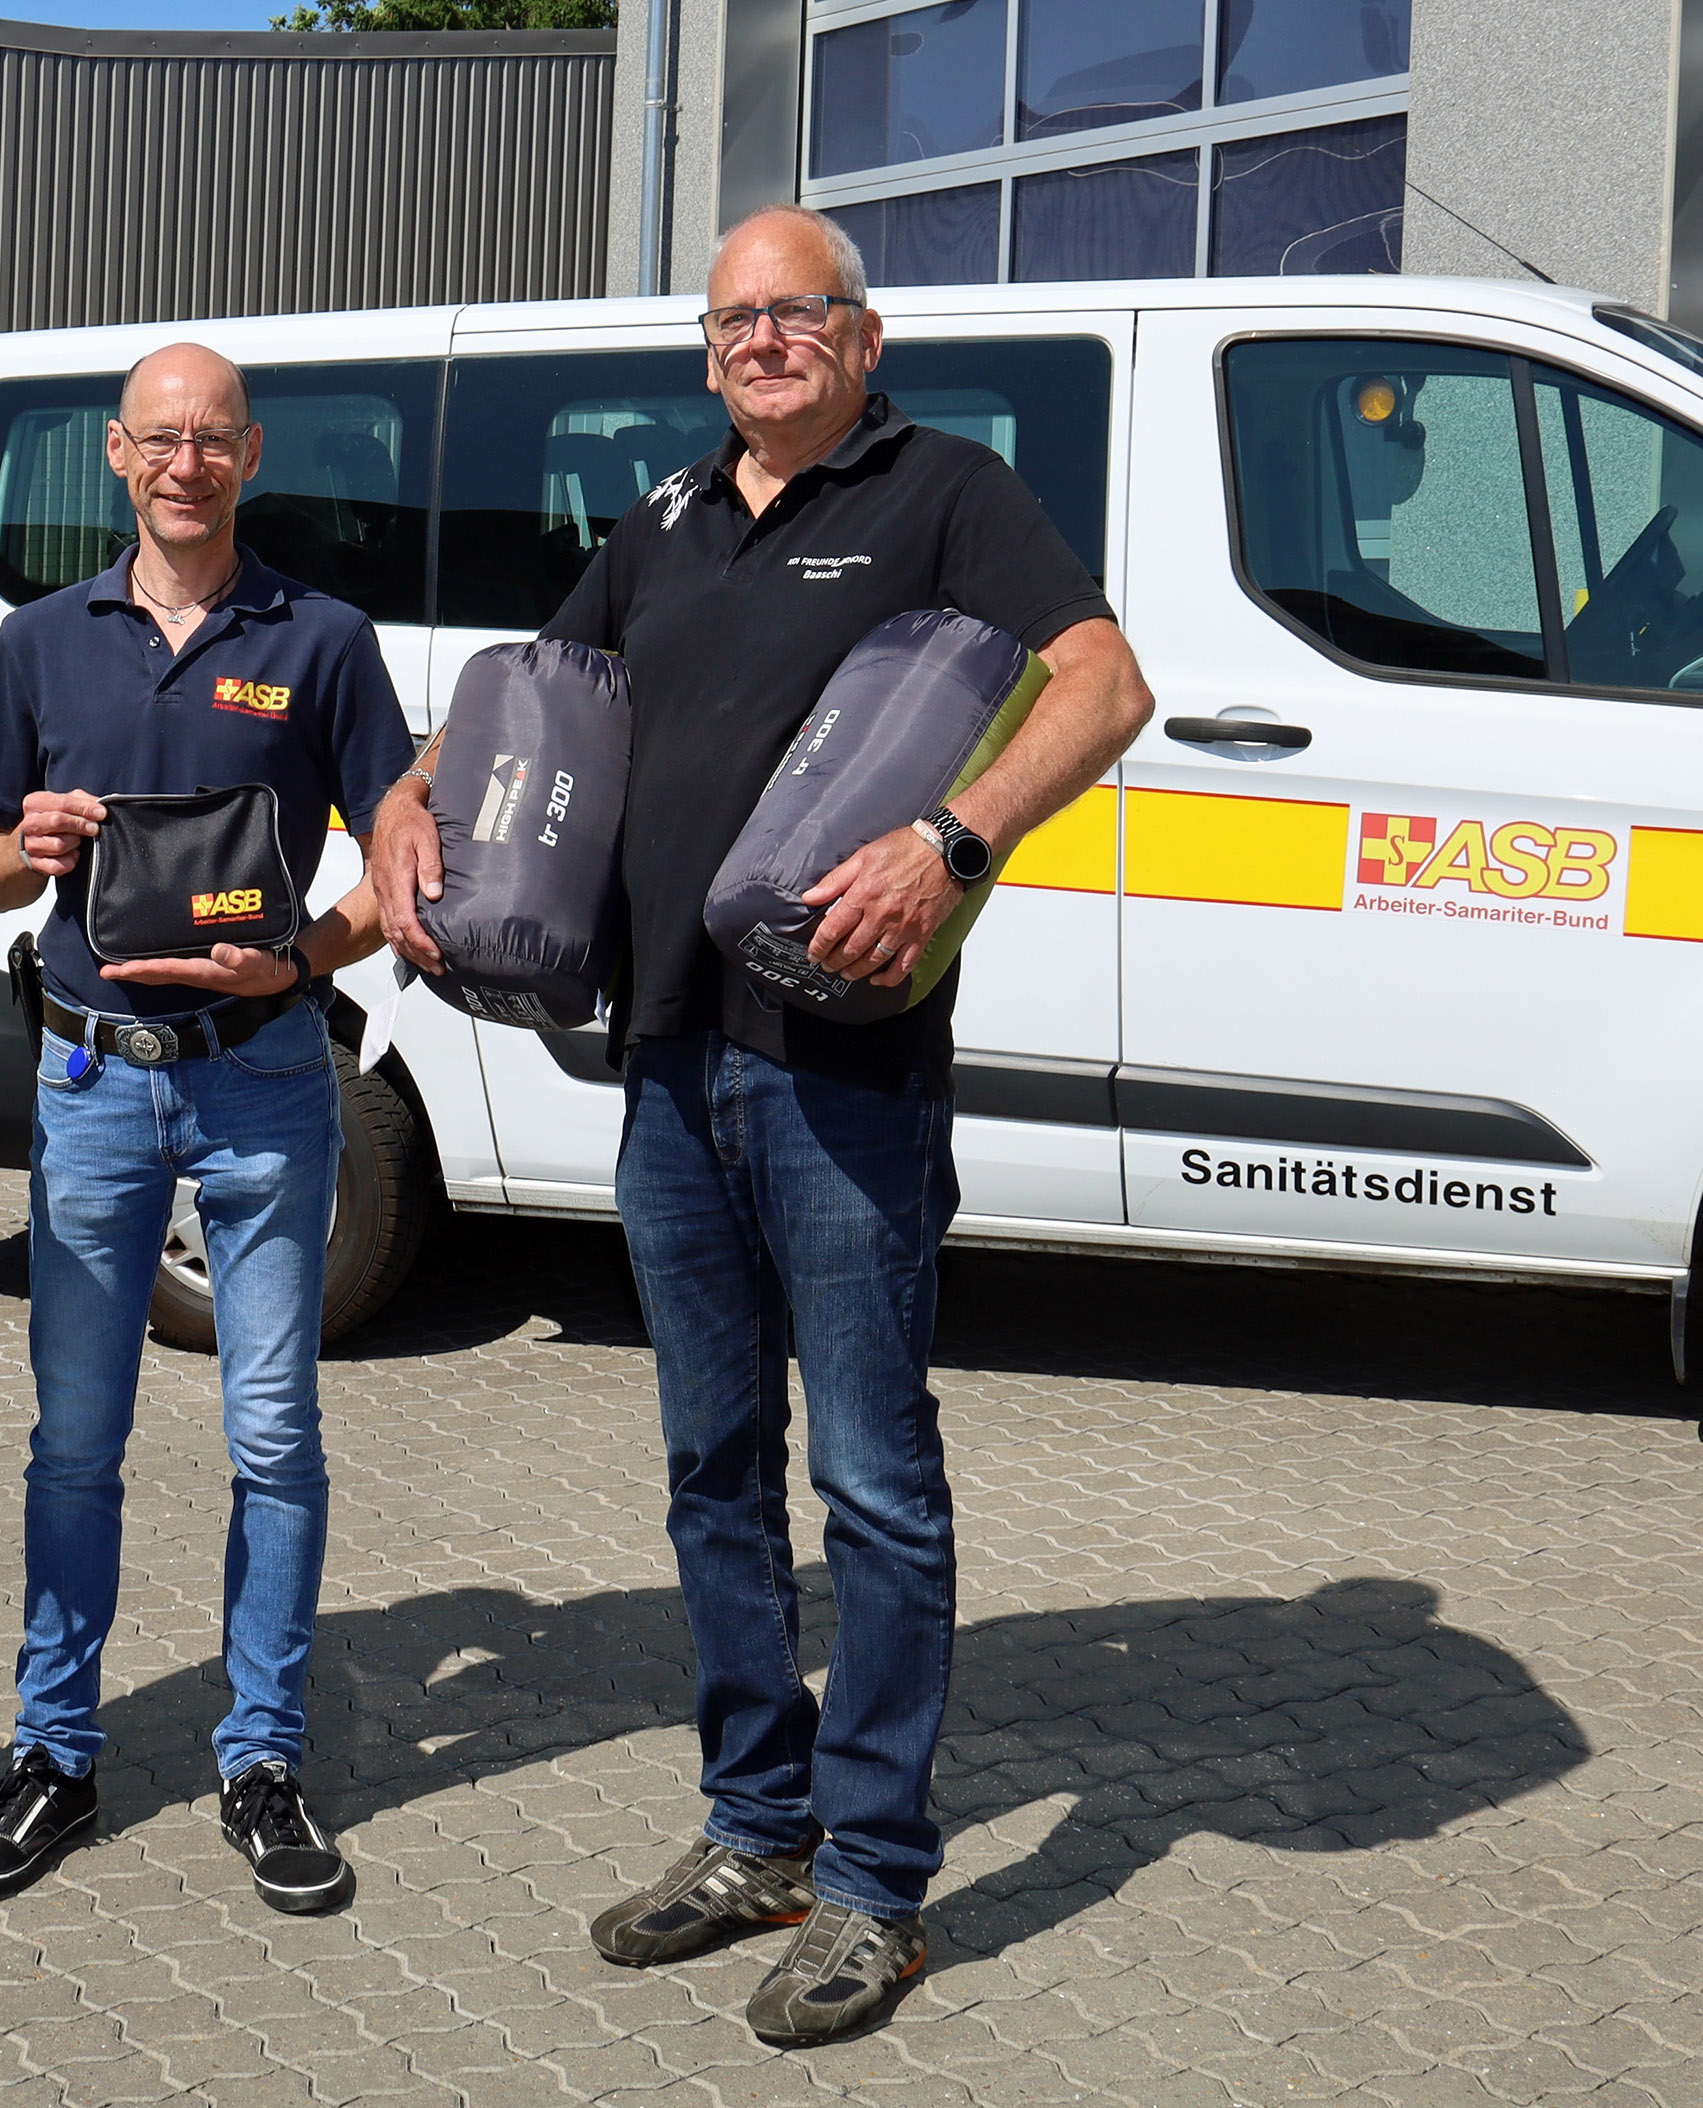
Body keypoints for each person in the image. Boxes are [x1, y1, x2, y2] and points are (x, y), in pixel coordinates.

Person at [371, 207, 1156, 2045]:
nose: (764, 342)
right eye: (734, 321)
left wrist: (956, 838)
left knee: (871, 1482)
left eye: (799, 314)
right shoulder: (661, 518)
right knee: (711, 1468)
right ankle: (757, 1833)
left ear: (863, 338)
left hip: (842, 1074)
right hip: (665, 1062)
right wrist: (407, 798)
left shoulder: (946, 493)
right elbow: (528, 694)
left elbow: (1108, 685)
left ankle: (876, 1882)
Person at [0, 344, 411, 1918]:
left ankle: (263, 1758)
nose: (187, 464)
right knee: (75, 1441)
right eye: (162, 439)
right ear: (117, 455)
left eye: (213, 439)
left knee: (272, 1435)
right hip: (90, 1086)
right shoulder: (39, 642)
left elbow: (399, 860)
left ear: (250, 455)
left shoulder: (324, 639)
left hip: (262, 1079)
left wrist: (304, 959)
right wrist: (27, 843)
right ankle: (53, 1753)